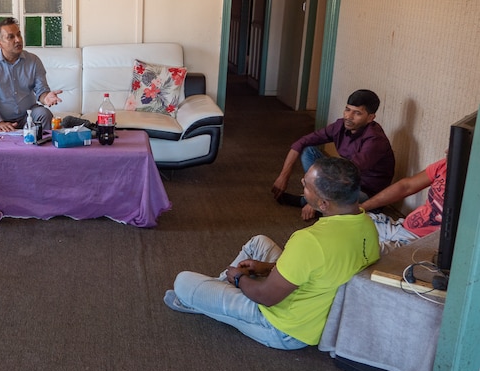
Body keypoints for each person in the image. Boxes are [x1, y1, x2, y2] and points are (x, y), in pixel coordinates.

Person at [165, 157, 379, 350]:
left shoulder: (310, 240)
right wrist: (267, 268)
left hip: (283, 328)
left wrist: (239, 279)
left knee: (182, 282)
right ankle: (213, 293)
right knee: (259, 242)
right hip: (313, 307)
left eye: (306, 185)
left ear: (323, 203)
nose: (302, 185)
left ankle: (206, 297)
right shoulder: (367, 223)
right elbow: (321, 269)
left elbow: (266, 297)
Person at [272, 89, 395, 221]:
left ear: (370, 118)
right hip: (344, 176)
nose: (349, 116)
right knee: (308, 150)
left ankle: (312, 202)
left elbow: (348, 174)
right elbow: (301, 142)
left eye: (357, 113)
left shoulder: (375, 140)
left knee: (342, 191)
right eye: (347, 109)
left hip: (364, 191)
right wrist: (283, 176)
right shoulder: (340, 125)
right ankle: (321, 202)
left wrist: (314, 201)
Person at [0, 17, 63, 132]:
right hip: (1, 116)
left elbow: (41, 90)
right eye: (11, 37)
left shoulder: (33, 60)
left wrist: (45, 98)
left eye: (19, 35)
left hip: (29, 115)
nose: (18, 40)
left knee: (44, 114)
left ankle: (41, 150)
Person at [360, 156, 447, 254]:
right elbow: (406, 186)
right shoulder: (446, 165)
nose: (447, 151)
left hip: (416, 243)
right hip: (399, 227)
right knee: (344, 219)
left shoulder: (467, 191)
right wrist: (362, 208)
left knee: (357, 254)